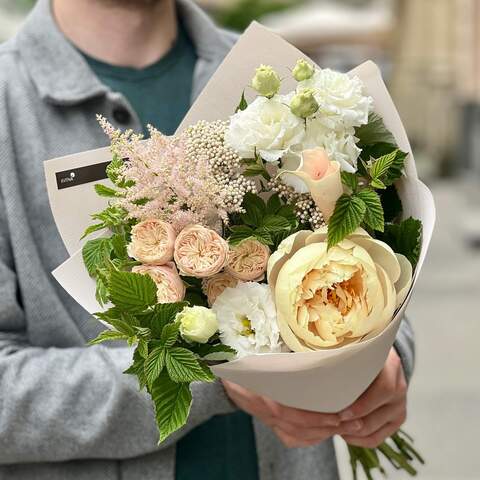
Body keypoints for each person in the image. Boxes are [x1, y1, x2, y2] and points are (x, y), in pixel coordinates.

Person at [0, 0, 415, 479]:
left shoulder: (274, 77)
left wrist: (381, 360)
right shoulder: (11, 105)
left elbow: (382, 256)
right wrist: (216, 379)